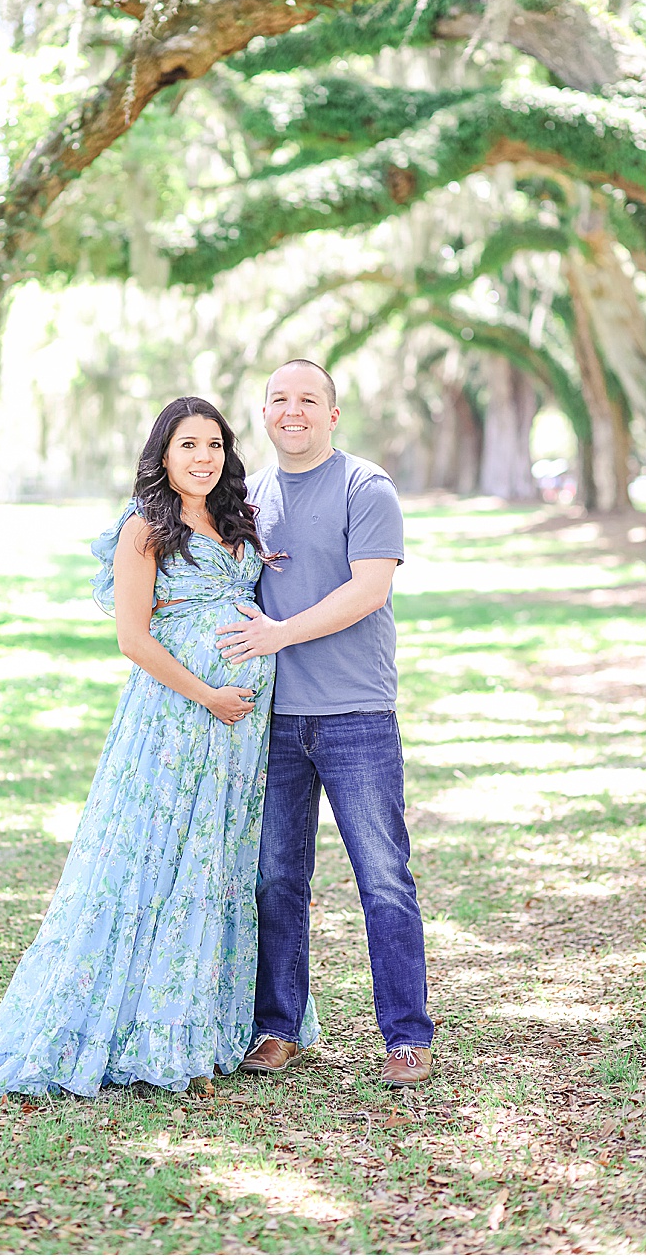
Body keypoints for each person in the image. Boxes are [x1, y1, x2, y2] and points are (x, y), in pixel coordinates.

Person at [0, 396, 316, 1098]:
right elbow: (132, 639)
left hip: (239, 739)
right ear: (163, 455)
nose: (203, 457)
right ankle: (141, 1028)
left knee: (215, 864)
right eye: (188, 445)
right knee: (151, 862)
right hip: (175, 725)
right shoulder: (144, 528)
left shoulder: (237, 520)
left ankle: (207, 1025)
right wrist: (209, 695)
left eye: (214, 445)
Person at [216, 360, 434, 1087]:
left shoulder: (364, 486)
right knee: (278, 877)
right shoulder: (248, 496)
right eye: (280, 398)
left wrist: (280, 633)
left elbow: (368, 589)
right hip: (274, 721)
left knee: (384, 878)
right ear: (266, 412)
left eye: (309, 398)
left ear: (333, 414)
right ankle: (278, 1028)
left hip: (356, 715)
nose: (293, 410)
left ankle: (406, 1036)